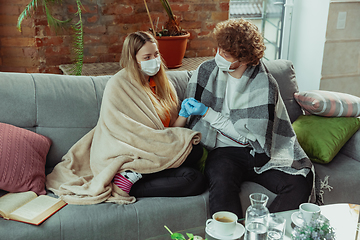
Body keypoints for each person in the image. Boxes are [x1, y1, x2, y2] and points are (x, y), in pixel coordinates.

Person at [46, 31, 206, 204]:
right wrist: (160, 145)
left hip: (158, 149)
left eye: (156, 54)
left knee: (195, 176)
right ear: (133, 59)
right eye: (147, 57)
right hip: (134, 151)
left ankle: (129, 181)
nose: (154, 60)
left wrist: (183, 113)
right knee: (194, 159)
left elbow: (173, 129)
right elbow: (123, 130)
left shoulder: (162, 84)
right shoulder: (119, 84)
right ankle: (129, 175)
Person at [182, 19, 316, 219]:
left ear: (244, 59)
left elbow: (250, 138)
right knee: (222, 181)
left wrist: (207, 113)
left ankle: (261, 230)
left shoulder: (264, 83)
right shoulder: (206, 71)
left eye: (226, 54)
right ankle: (229, 233)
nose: (218, 56)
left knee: (300, 181)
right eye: (218, 49)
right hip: (223, 152)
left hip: (261, 153)